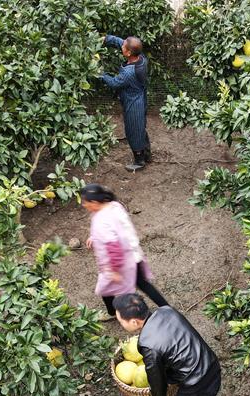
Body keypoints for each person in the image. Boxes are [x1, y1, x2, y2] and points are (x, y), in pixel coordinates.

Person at [113, 293, 221, 396]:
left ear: (134, 321)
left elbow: (155, 376)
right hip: (210, 364)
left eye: (121, 321)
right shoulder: (166, 311)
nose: (120, 324)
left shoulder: (148, 344)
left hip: (197, 386)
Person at [81, 183, 168, 319]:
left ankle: (123, 314)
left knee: (108, 290)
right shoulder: (114, 205)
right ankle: (167, 308)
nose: (83, 205)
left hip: (121, 264)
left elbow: (114, 248)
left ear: (94, 202)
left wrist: (114, 270)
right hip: (134, 255)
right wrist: (95, 237)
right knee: (143, 284)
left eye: (85, 202)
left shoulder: (101, 220)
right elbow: (117, 228)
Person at [100, 35, 151, 171]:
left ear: (128, 53)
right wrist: (107, 39)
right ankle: (146, 154)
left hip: (134, 103)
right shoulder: (141, 58)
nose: (121, 45)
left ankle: (139, 161)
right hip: (140, 97)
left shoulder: (129, 73)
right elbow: (122, 42)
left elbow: (114, 83)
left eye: (124, 46)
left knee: (133, 130)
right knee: (140, 127)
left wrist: (101, 74)